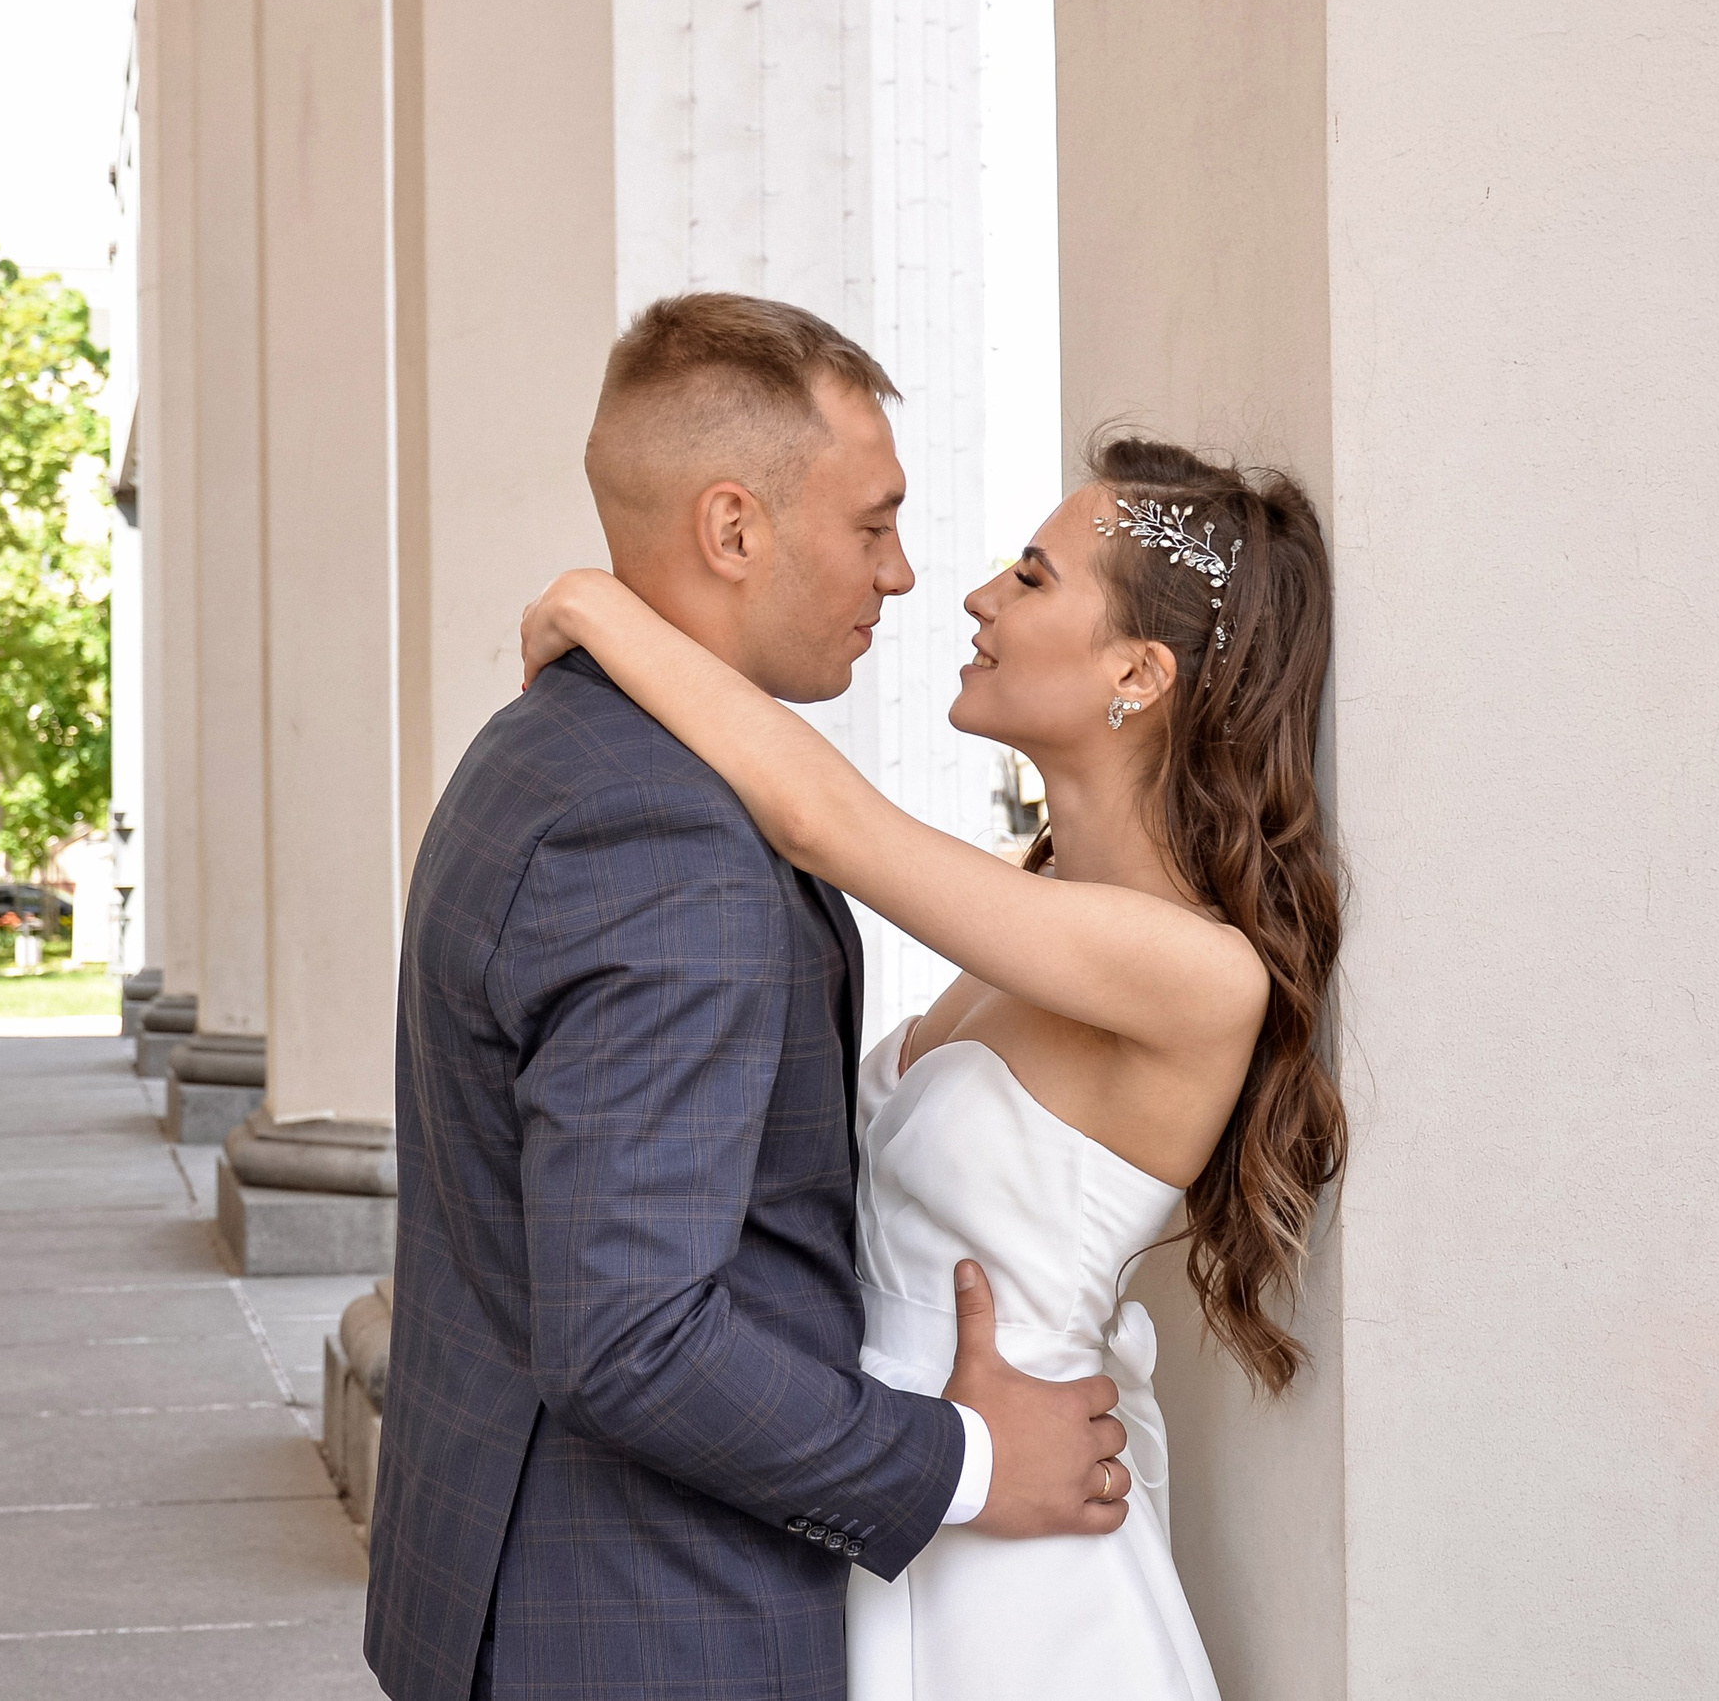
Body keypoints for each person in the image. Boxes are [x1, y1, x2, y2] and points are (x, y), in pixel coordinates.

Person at [366, 293, 1136, 1701]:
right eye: (872, 522)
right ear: (732, 530)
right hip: (647, 1620)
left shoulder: (549, 747)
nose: (904, 574)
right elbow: (635, 1335)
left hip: (525, 1577)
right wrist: (964, 1459)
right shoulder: (667, 843)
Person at [518, 410, 1348, 1698]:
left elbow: (820, 820)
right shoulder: (1031, 907)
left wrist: (601, 607)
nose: (974, 594)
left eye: (1030, 576)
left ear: (1138, 671)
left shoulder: (1193, 970)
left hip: (1019, 1574)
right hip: (900, 1489)